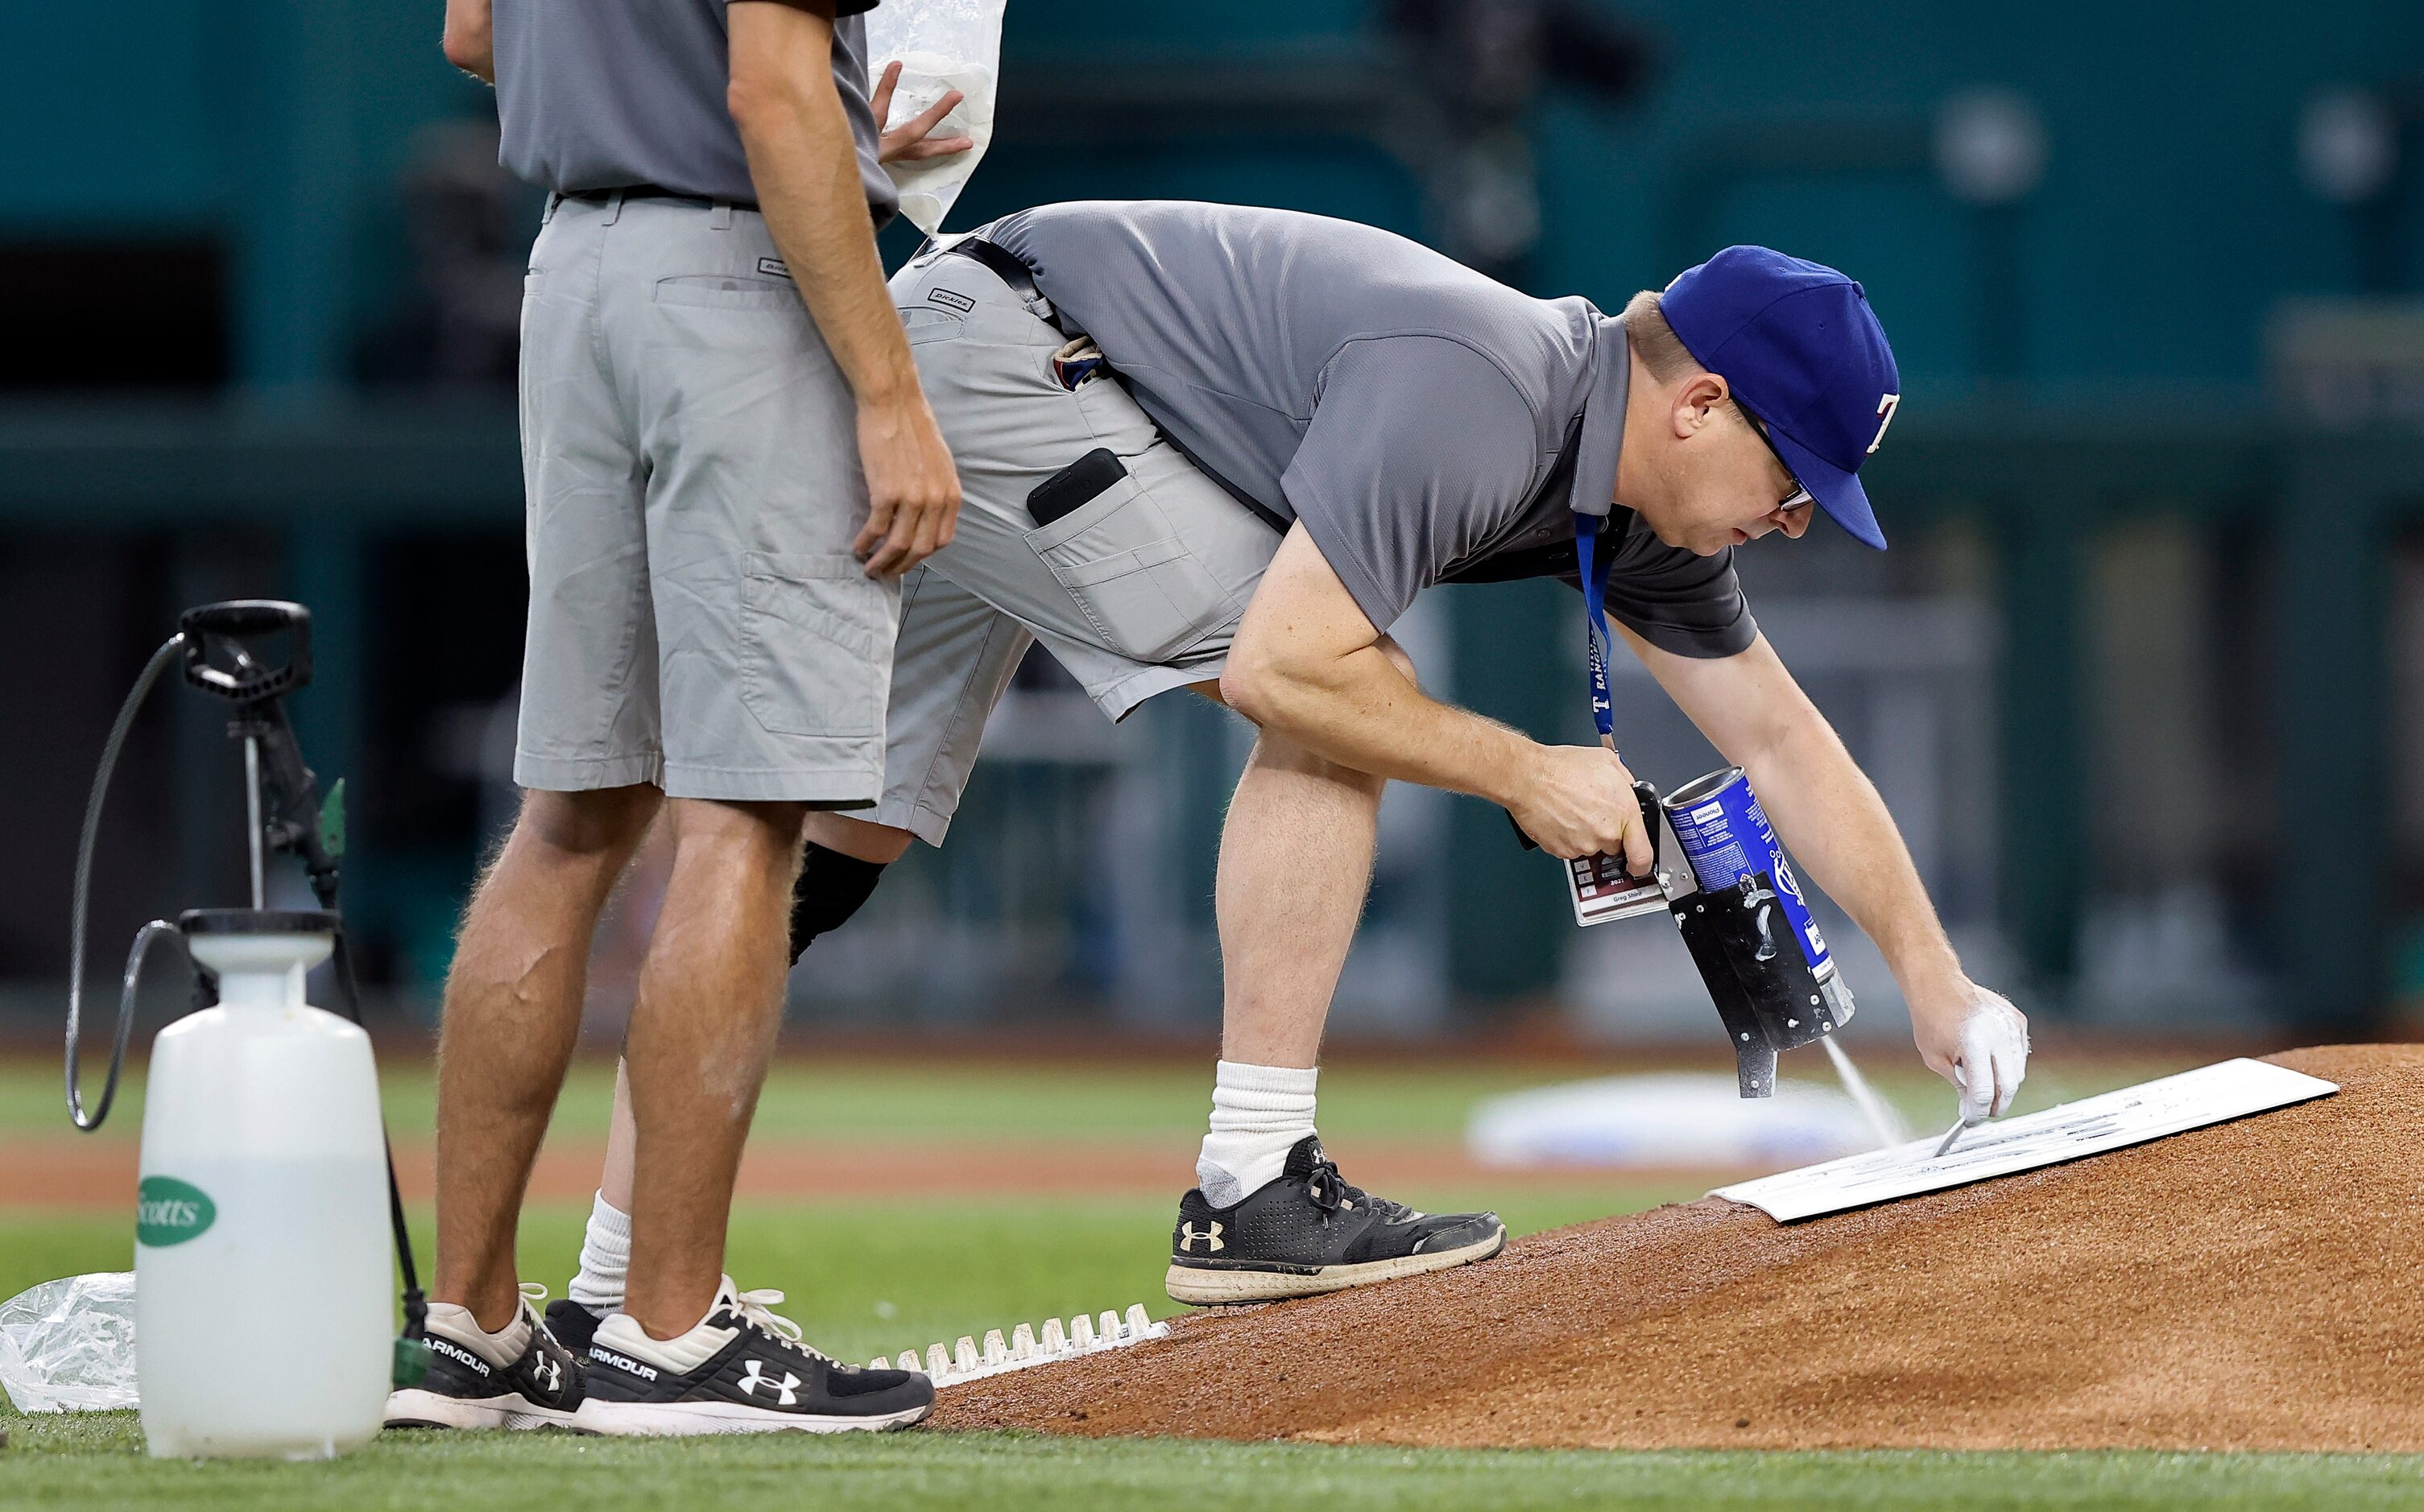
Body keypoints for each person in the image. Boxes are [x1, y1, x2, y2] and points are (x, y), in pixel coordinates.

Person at [555, 200, 2032, 1323]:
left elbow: (1782, 737)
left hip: (1007, 359)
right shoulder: (1489, 383)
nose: (1789, 525)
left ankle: (620, 1288)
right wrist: (1521, 768)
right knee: (1339, 687)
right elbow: (1281, 671)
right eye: (1792, 486)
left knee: (815, 859)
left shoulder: (1636, 512)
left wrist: (1933, 973)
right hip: (1004, 357)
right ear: (1699, 401)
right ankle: (1254, 1178)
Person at [385, 0, 962, 1437]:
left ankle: (468, 1331)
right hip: (733, 278)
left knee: (570, 815)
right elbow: (769, 88)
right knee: (747, 816)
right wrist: (889, 390)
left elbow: (473, 34)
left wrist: (817, 141)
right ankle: (669, 1334)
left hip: (572, 273)